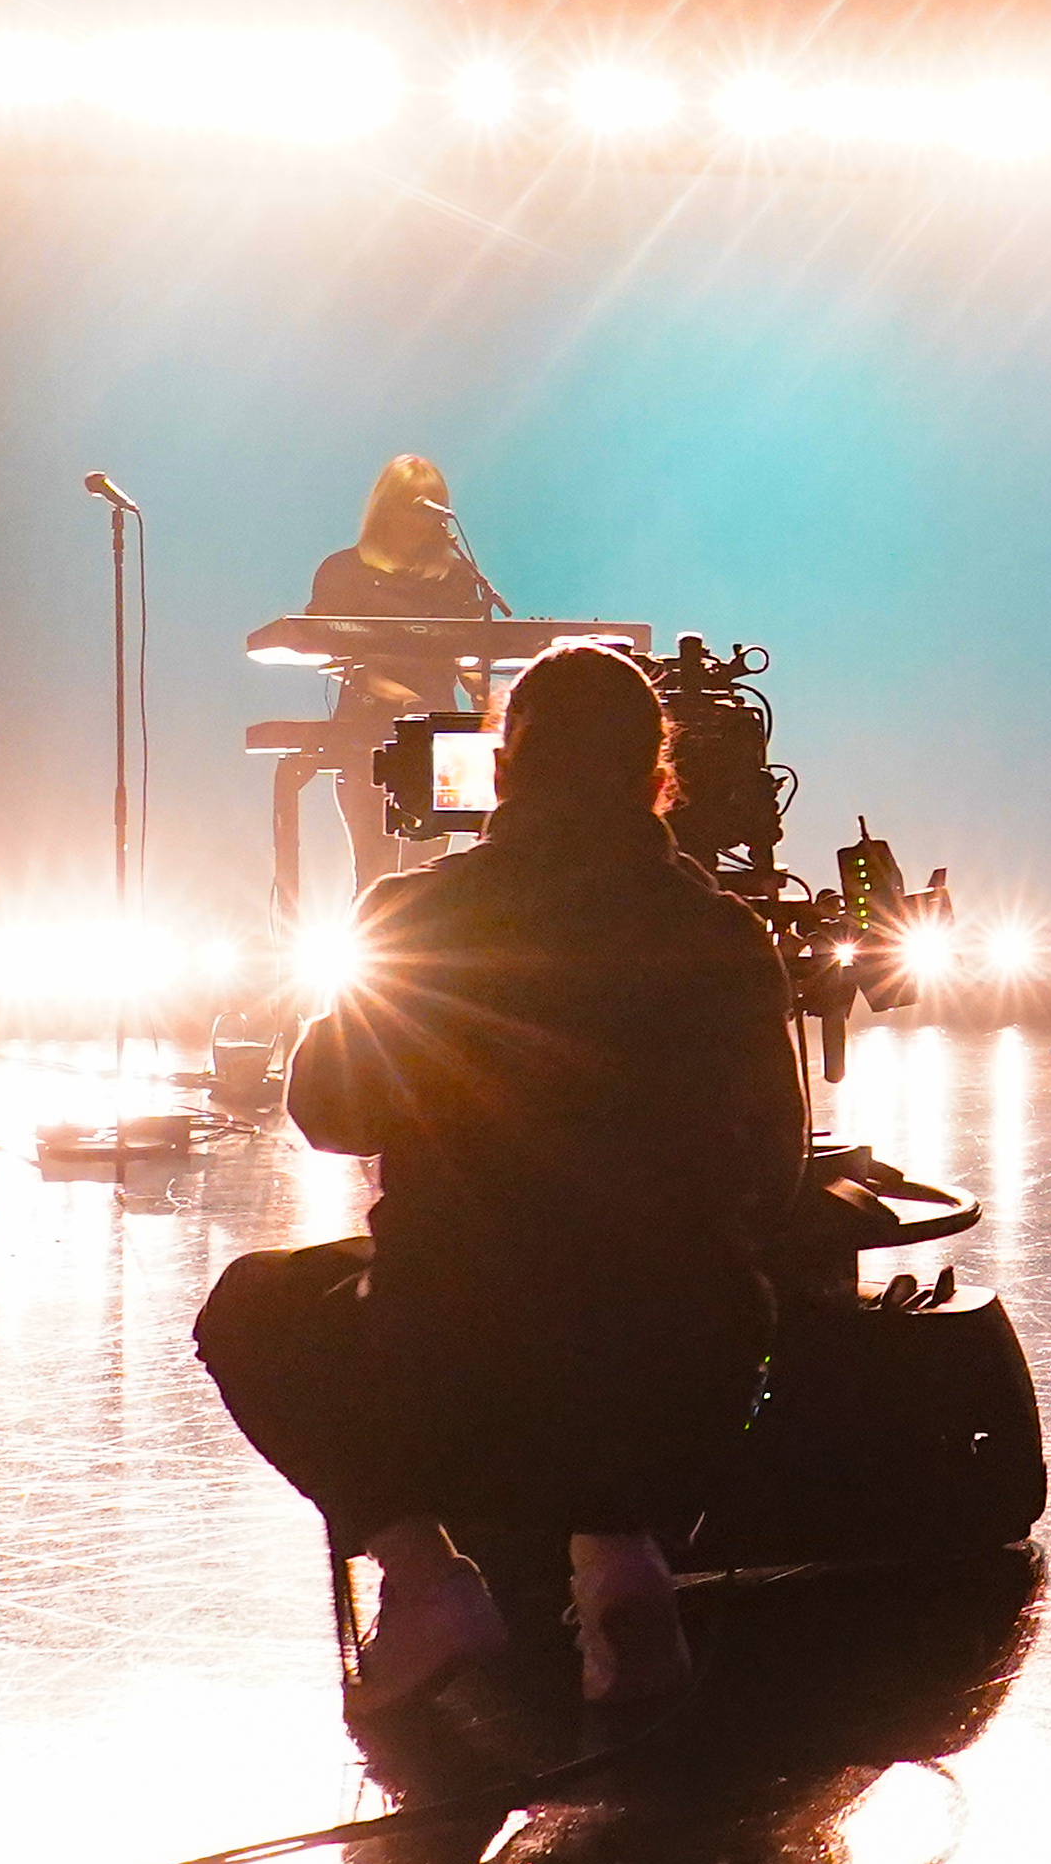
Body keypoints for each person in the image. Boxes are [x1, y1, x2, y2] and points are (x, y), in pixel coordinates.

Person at [195, 643, 802, 1718]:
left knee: (253, 1308)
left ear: (505, 771)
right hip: (685, 1378)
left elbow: (330, 1115)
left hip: (462, 1368)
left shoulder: (415, 916)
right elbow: (774, 1166)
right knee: (690, 1302)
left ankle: (427, 1585)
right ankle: (622, 1564)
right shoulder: (724, 933)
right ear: (659, 777)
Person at [304, 453, 506, 901]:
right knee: (375, 874)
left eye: (434, 508)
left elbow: (465, 653)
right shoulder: (343, 572)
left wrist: (481, 687)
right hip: (369, 734)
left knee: (434, 881)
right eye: (416, 507)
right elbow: (340, 657)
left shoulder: (454, 577)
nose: (424, 521)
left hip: (442, 737)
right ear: (387, 509)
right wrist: (404, 699)